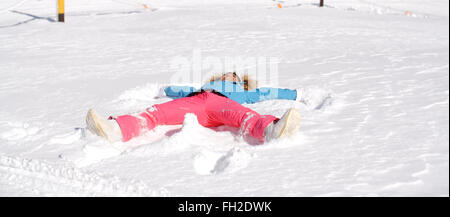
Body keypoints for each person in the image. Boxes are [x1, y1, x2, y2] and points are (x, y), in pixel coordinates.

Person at [86, 72, 305, 144]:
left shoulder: (242, 91)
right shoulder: (204, 87)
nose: (230, 75)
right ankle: (117, 129)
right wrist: (164, 89)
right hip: (197, 101)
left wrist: (295, 94)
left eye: (235, 76)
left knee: (248, 116)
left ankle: (271, 130)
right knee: (157, 112)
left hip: (222, 105)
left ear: (240, 82)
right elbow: (182, 90)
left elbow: (267, 92)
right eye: (228, 73)